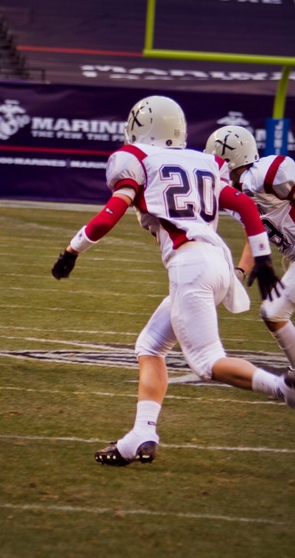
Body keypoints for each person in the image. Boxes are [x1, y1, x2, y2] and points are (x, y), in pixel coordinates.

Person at [50, 95, 295, 467]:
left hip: (190, 266)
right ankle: (141, 435)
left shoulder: (137, 160)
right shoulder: (204, 162)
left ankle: (283, 389)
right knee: (149, 345)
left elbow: (110, 212)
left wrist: (72, 249)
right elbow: (246, 208)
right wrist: (260, 258)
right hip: (216, 262)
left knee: (208, 363)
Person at [205, 124, 295, 372]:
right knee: (273, 314)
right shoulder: (236, 196)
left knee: (274, 312)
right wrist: (239, 273)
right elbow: (253, 236)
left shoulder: (264, 174)